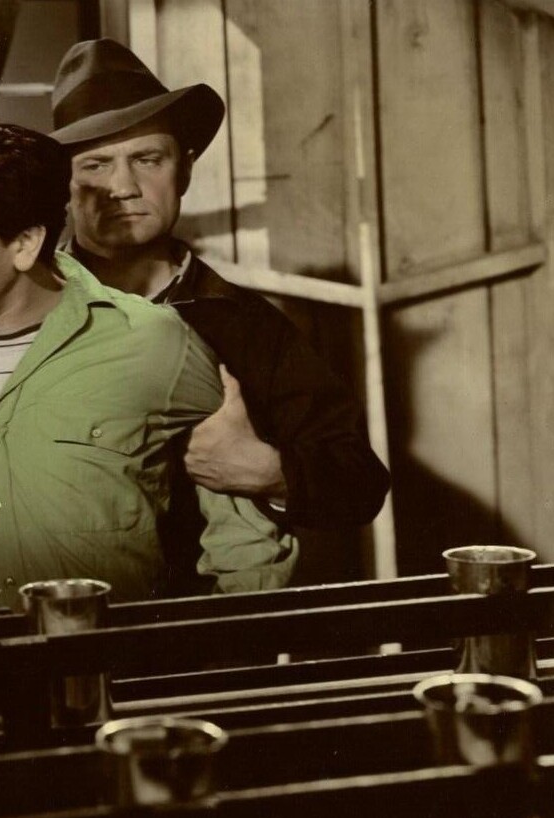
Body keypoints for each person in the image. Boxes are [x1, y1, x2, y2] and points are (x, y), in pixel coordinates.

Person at [0, 117, 294, 628]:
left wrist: (236, 641)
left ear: (25, 244)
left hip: (95, 664)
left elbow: (241, 525)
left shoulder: (153, 344)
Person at [50, 39, 389, 593]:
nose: (122, 187)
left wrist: (266, 470)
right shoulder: (23, 306)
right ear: (60, 185)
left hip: (200, 624)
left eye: (147, 159)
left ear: (183, 171)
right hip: (50, 609)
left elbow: (358, 482)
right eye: (96, 164)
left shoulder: (247, 325)